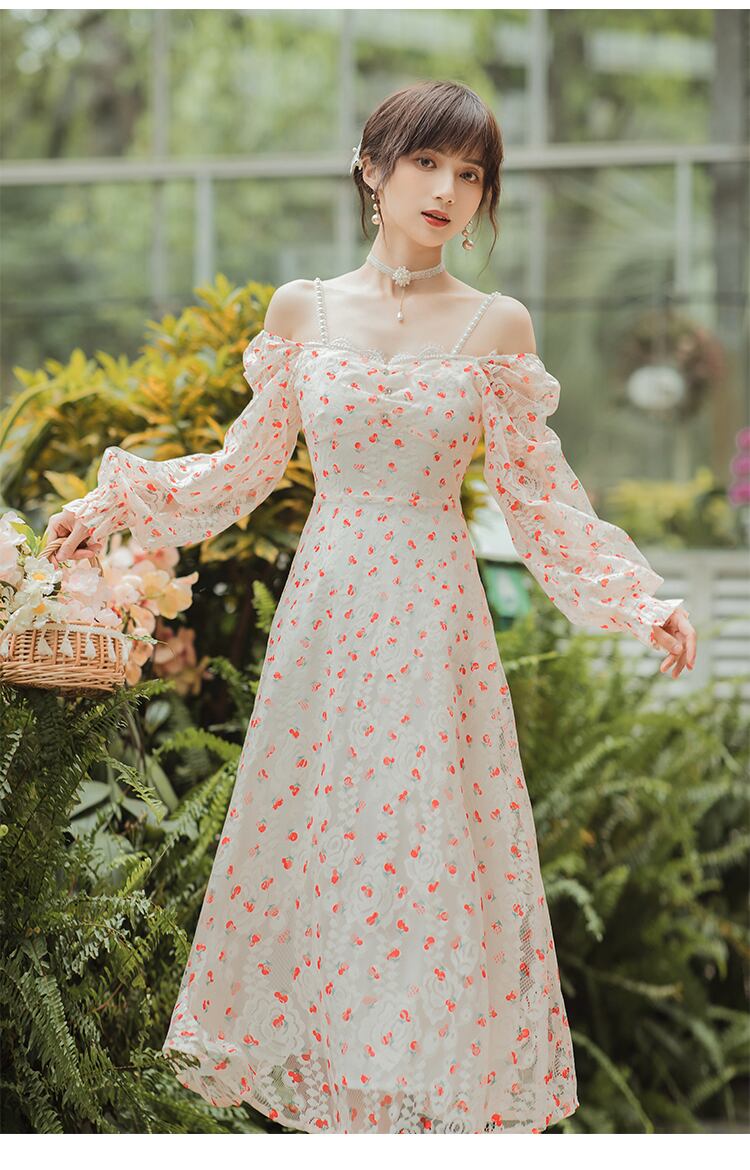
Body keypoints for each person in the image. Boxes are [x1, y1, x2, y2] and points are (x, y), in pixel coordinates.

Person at [44, 79, 696, 1133]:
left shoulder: (495, 325)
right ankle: (339, 1117)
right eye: (427, 162)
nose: (447, 189)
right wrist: (110, 504)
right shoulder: (302, 311)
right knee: (324, 849)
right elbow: (239, 470)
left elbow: (541, 500)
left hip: (435, 622)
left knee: (429, 857)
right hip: (331, 616)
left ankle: (418, 1107)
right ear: (373, 168)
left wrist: (638, 600)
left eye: (471, 173)